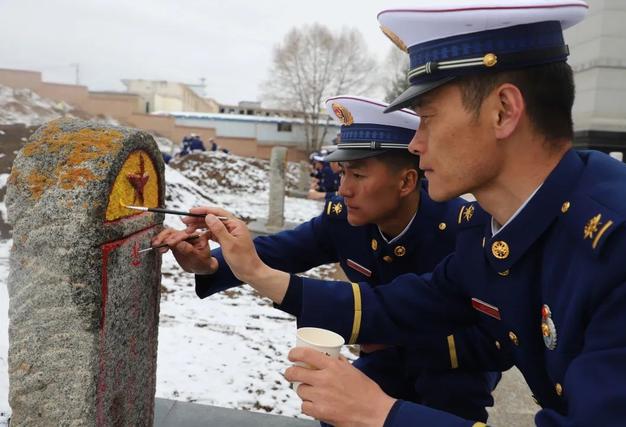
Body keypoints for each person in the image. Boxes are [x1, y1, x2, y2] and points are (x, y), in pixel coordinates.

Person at [170, 1, 626, 425]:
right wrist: (251, 269)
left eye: (428, 118)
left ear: (503, 112)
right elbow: (402, 304)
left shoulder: (624, 243)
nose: (415, 143)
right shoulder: (492, 231)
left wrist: (382, 415)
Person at [152, 95, 499, 421]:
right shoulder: (346, 220)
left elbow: (493, 340)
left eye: (358, 175)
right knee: (331, 409)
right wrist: (211, 262)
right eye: (343, 173)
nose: (344, 189)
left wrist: (397, 340)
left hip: (452, 368)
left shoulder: (460, 229)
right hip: (388, 358)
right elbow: (279, 251)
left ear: (407, 181)